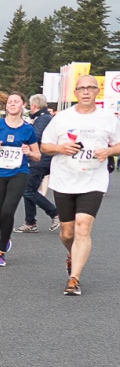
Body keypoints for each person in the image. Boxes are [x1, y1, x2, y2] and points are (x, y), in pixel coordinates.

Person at [39, 75, 120, 295]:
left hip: (93, 180)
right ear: (75, 92)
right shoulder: (62, 118)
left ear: (97, 91)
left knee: (83, 226)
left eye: (90, 88)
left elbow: (119, 143)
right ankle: (72, 253)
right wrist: (60, 148)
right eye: (82, 88)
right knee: (67, 233)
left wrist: (109, 151)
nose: (86, 92)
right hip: (65, 180)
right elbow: (45, 146)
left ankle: (74, 279)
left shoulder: (108, 118)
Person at [0, 93, 40, 267]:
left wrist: (29, 152)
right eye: (10, 102)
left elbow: (38, 155)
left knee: (8, 211)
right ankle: (6, 236)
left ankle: (0, 253)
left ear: (23, 106)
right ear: (6, 106)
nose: (12, 104)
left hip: (19, 173)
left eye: (16, 102)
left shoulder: (28, 129)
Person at [15, 93, 61, 233]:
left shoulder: (42, 119)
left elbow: (35, 136)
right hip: (42, 159)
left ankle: (54, 213)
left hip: (40, 159)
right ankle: (30, 222)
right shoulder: (46, 117)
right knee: (29, 189)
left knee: (27, 190)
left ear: (33, 105)